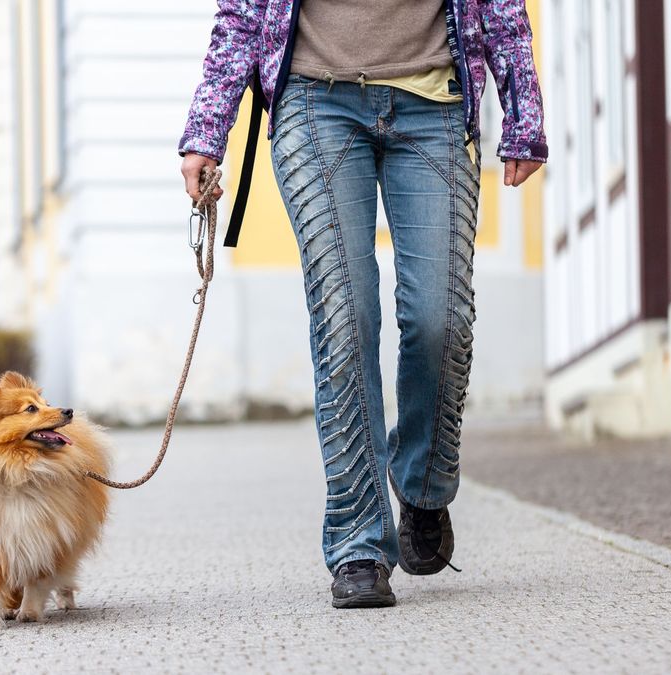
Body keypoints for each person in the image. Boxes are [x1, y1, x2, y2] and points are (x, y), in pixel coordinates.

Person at [178, 0, 546, 608]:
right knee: (343, 317)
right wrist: (205, 131)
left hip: (437, 104)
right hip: (314, 105)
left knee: (442, 319)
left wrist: (523, 116)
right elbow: (242, 16)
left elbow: (502, 9)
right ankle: (359, 544)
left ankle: (425, 488)